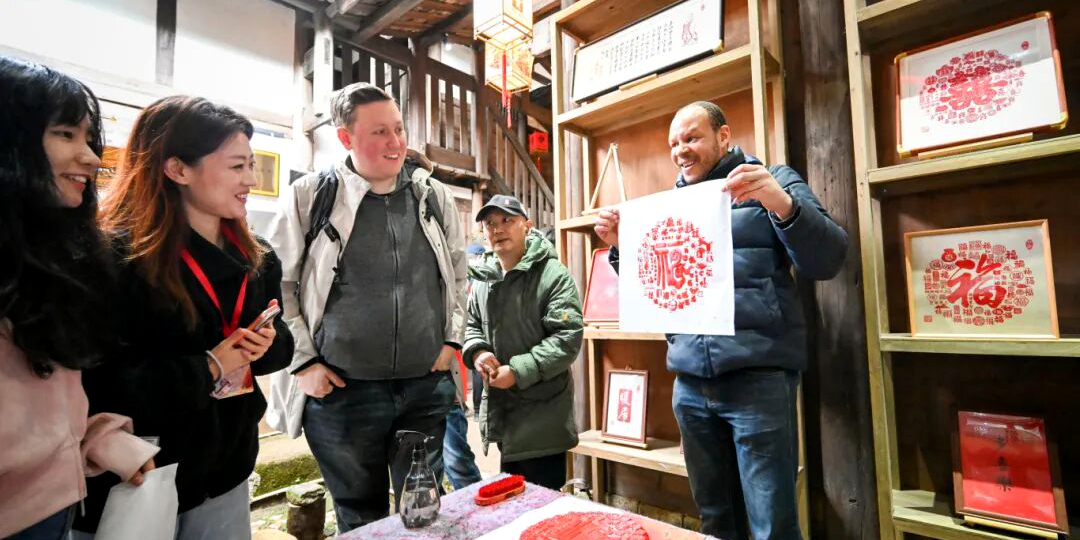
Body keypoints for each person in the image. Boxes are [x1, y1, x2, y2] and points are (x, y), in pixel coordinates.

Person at [593, 101, 847, 540]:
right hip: (690, 383)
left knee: (772, 523)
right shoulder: (670, 207)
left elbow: (828, 259)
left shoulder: (773, 180)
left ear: (724, 136)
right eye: (674, 143)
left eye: (691, 137)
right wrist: (622, 247)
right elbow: (658, 291)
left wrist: (780, 202)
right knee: (715, 518)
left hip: (758, 379)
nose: (680, 150)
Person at [72, 96, 294, 539]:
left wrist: (266, 346)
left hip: (226, 469)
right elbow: (97, 381)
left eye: (251, 165)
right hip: (139, 472)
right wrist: (208, 366)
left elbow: (282, 342)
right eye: (237, 166)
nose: (251, 179)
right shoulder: (114, 257)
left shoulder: (258, 257)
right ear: (177, 169)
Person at [265, 82, 467, 531]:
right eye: (380, 132)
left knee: (423, 511)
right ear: (345, 137)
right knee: (360, 518)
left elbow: (458, 277)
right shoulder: (310, 196)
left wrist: (451, 342)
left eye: (398, 129)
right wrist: (303, 363)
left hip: (424, 386)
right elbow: (278, 287)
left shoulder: (433, 197)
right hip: (343, 394)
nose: (396, 142)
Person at [0, 56, 159, 540]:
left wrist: (96, 439)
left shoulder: (54, 256)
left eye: (89, 138)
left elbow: (45, 397)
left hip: (57, 505)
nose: (90, 158)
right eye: (65, 134)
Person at [465, 195, 584, 490]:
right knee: (513, 497)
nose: (498, 229)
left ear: (527, 226)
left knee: (543, 501)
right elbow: (471, 325)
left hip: (543, 415)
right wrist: (479, 352)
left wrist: (518, 371)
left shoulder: (553, 275)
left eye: (507, 220)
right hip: (504, 413)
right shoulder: (484, 278)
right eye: (490, 223)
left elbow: (566, 338)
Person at [442, 242, 488, 490]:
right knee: (421, 469)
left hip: (442, 380)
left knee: (457, 460)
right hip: (405, 388)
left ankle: (479, 506)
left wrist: (449, 346)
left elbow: (464, 321)